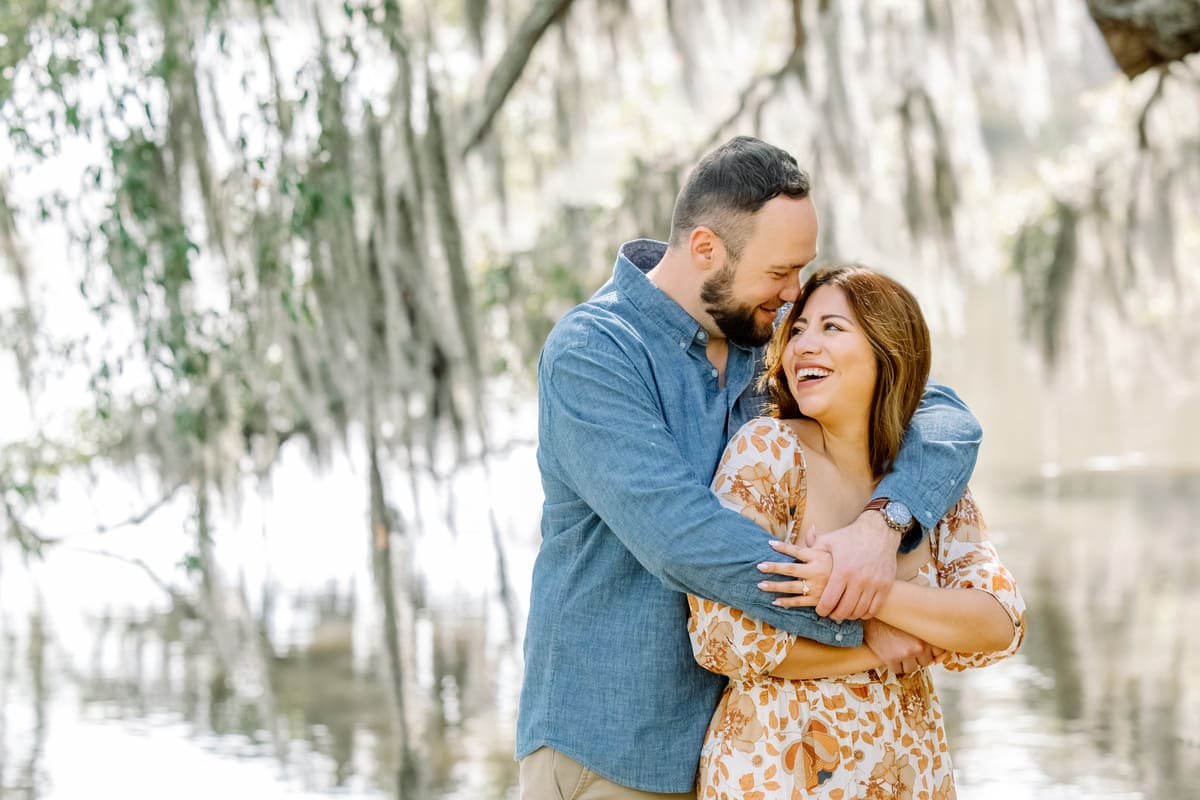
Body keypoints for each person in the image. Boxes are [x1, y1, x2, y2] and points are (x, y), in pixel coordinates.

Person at [516, 136, 983, 799]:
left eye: (802, 270)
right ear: (705, 249)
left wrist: (884, 526)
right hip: (614, 746)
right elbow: (682, 538)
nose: (795, 294)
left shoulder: (770, 332)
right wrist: (862, 612)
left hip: (743, 755)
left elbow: (940, 412)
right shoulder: (594, 353)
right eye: (779, 273)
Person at [689, 266, 1025, 799]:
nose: (803, 345)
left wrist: (866, 587)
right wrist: (880, 639)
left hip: (911, 771)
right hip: (779, 772)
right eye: (796, 330)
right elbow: (723, 639)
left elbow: (999, 622)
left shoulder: (926, 483)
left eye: (831, 328)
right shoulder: (769, 452)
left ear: (888, 351)